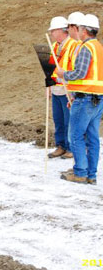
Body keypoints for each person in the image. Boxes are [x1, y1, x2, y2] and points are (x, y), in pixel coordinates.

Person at [56, 14, 103, 185]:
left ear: (84, 30)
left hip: (85, 99)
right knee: (92, 138)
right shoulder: (98, 47)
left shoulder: (86, 48)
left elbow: (80, 73)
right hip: (97, 98)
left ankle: (80, 172)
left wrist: (63, 74)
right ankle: (91, 174)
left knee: (75, 136)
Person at [47, 16, 78, 159]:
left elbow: (76, 69)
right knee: (58, 120)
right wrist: (48, 86)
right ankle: (61, 145)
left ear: (61, 30)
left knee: (69, 121)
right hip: (56, 89)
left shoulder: (73, 45)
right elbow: (49, 70)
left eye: (53, 30)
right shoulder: (54, 47)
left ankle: (71, 147)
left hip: (68, 90)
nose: (52, 34)